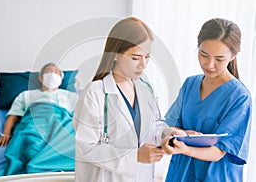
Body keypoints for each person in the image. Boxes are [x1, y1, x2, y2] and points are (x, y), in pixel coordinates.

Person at [72, 17, 170, 182]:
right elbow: (85, 147)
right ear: (115, 54)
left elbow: (154, 127)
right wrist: (135, 156)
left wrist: (169, 134)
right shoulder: (96, 92)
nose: (143, 64)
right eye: (135, 57)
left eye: (147, 57)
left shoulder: (145, 90)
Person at [161, 18, 252, 182]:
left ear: (233, 56)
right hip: (180, 175)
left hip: (215, 177)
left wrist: (186, 148)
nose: (209, 64)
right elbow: (170, 125)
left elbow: (219, 152)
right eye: (204, 54)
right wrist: (176, 134)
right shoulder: (190, 84)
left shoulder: (239, 97)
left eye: (219, 59)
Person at [0, 63, 79, 176]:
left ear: (61, 78)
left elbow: (80, 117)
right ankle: (39, 167)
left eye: (57, 73)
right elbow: (13, 116)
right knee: (31, 146)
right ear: (40, 77)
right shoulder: (26, 95)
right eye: (49, 71)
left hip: (62, 122)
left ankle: (43, 167)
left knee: (70, 145)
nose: (53, 75)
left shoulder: (71, 96)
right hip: (34, 122)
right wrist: (6, 134)